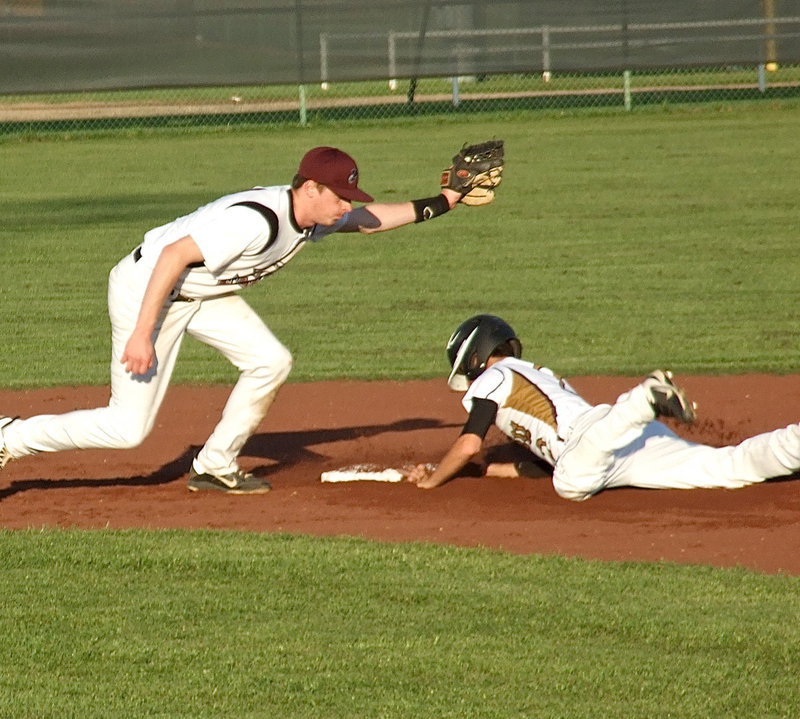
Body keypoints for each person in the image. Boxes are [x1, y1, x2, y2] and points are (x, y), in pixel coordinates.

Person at [0, 145, 481, 494]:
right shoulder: (254, 221)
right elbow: (172, 257)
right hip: (150, 290)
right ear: (310, 188)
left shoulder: (311, 215)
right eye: (339, 195)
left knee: (270, 361)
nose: (345, 205)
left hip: (200, 294)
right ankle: (9, 436)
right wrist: (143, 333)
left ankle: (215, 464)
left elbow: (367, 220)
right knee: (126, 428)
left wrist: (444, 202)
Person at [407, 314, 800, 500]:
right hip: (618, 446)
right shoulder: (533, 376)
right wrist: (488, 471)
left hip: (595, 438)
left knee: (570, 483)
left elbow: (468, 444)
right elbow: (538, 464)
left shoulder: (494, 378)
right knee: (729, 467)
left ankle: (645, 399)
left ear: (474, 358)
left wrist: (433, 480)